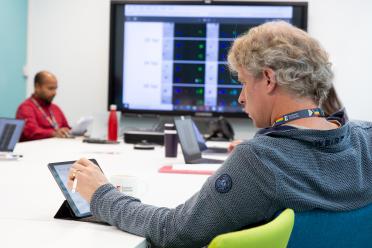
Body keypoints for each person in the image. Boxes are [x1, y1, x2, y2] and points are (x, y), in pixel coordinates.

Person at [67, 21, 372, 248]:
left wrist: (102, 195)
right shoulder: (366, 138)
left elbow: (174, 232)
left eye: (242, 82)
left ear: (267, 79)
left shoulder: (259, 160)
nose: (241, 98)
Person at [16, 71, 70, 141]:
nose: (54, 93)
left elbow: (66, 127)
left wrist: (72, 131)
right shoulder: (25, 108)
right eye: (50, 88)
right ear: (37, 87)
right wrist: (53, 133)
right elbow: (31, 132)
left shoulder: (55, 108)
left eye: (55, 89)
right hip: (34, 150)